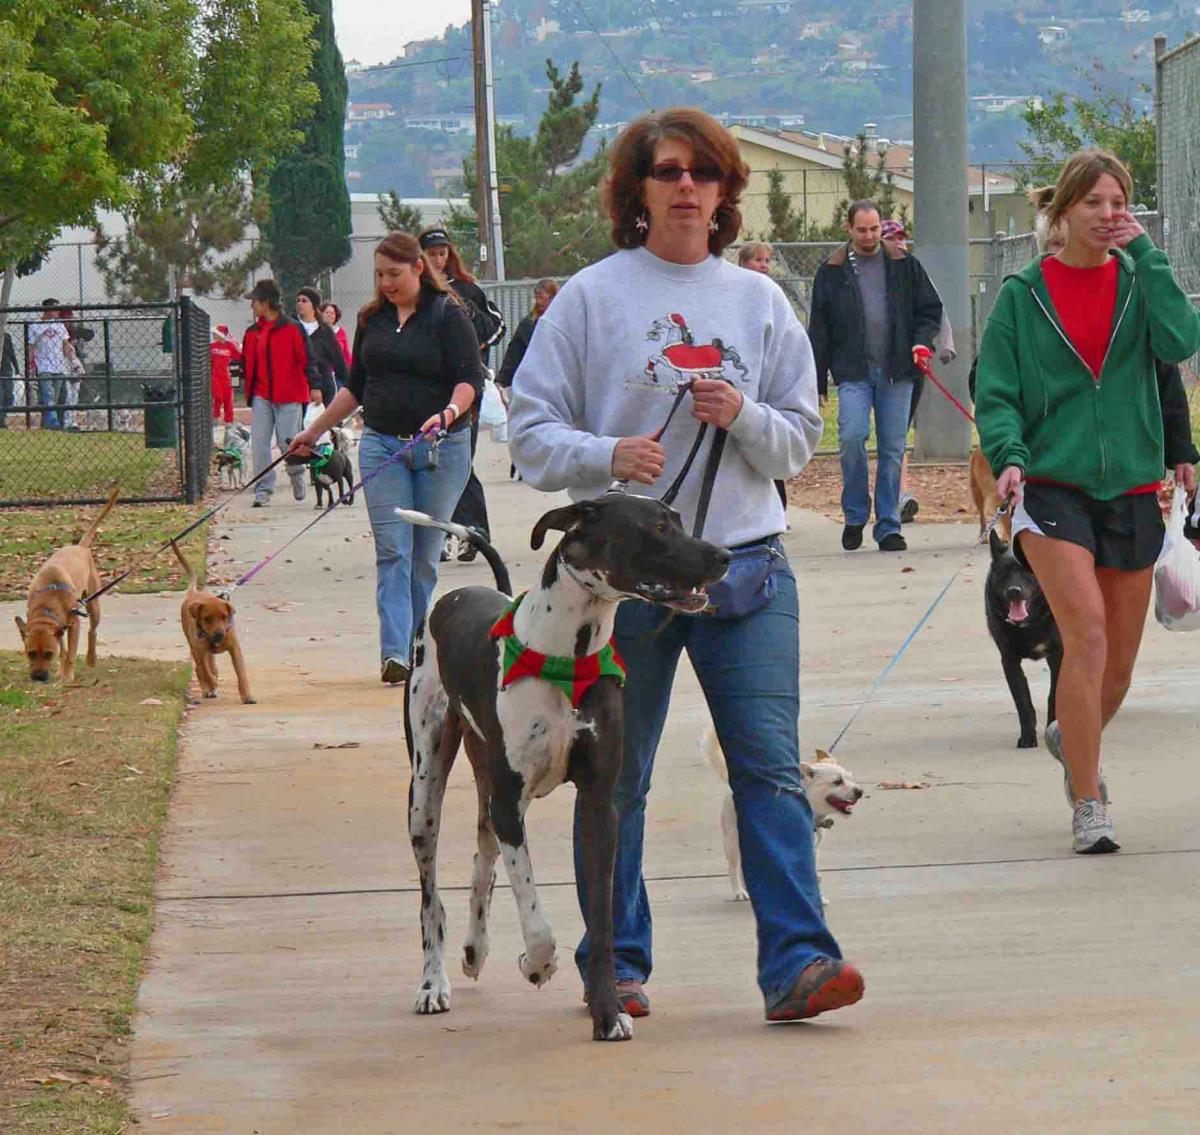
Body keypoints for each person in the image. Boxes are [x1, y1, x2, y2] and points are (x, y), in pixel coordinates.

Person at [509, 107, 863, 1024]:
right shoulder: (590, 298)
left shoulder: (760, 302)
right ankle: (616, 962)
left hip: (745, 569)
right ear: (637, 192)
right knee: (619, 779)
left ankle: (799, 964)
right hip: (626, 592)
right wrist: (608, 456)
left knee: (772, 772)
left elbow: (797, 443)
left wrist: (740, 413)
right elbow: (531, 433)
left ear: (725, 191)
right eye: (667, 172)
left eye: (704, 173)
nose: (686, 187)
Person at [976, 150, 1200, 854]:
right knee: (1088, 634)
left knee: (1119, 666)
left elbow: (1180, 342)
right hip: (1052, 486)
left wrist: (1153, 261)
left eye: (1120, 203)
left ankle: (1071, 736)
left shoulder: (1140, 280)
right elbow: (998, 393)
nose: (1110, 215)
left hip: (1131, 485)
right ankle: (1089, 796)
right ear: (1064, 211)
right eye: (1096, 203)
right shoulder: (1023, 295)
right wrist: (1011, 458)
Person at [288, 232, 482, 686]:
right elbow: (355, 387)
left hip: (441, 449)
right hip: (381, 445)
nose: (386, 283)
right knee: (393, 550)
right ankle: (395, 653)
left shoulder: (448, 316)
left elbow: (470, 379)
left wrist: (449, 412)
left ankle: (419, 642)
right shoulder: (371, 319)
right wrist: (313, 432)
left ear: (419, 268)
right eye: (379, 275)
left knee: (424, 558)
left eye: (394, 274)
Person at [808, 201, 943, 552]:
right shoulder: (832, 271)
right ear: (848, 228)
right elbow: (818, 328)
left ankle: (888, 525)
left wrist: (920, 343)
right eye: (862, 230)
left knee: (893, 449)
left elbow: (930, 310)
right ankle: (855, 514)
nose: (869, 236)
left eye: (875, 230)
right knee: (851, 438)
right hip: (853, 370)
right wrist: (817, 378)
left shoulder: (904, 265)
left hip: (899, 371)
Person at [418, 227, 505, 562]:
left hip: (465, 390)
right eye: (432, 253)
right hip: (426, 391)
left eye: (443, 252)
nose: (439, 259)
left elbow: (496, 326)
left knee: (459, 461)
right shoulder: (417, 293)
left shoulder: (466, 290)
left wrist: (471, 340)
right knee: (428, 463)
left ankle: (473, 533)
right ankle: (437, 535)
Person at [878, 218, 957, 524]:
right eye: (893, 238)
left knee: (896, 435)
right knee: (869, 437)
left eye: (902, 238)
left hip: (908, 365)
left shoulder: (912, 269)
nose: (900, 243)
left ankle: (899, 497)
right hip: (870, 370)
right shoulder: (864, 274)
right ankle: (887, 498)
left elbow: (933, 308)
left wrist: (935, 345)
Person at [242, 278, 318, 507]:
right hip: (261, 396)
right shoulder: (252, 332)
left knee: (288, 443)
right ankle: (263, 489)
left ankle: (297, 475)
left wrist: (315, 385)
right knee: (260, 443)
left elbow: (307, 359)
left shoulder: (292, 328)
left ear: (266, 302)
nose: (251, 306)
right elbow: (245, 361)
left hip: (289, 394)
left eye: (254, 301)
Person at [495, 279, 559, 390]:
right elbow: (513, 354)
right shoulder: (528, 324)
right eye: (536, 298)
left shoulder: (563, 324)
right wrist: (501, 381)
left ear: (554, 299)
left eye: (542, 299)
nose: (538, 302)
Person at [26, 299, 76, 431]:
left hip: (58, 366)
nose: (57, 312)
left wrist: (72, 360)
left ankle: (48, 422)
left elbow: (65, 344)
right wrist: (29, 366)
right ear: (47, 310)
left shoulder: (59, 326)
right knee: (48, 394)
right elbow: (31, 347)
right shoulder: (35, 326)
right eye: (55, 309)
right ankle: (52, 423)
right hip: (43, 366)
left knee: (55, 395)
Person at [296, 286, 348, 410]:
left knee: (322, 426)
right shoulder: (292, 326)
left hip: (324, 385)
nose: (299, 304)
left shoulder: (325, 331)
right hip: (297, 386)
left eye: (304, 301)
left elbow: (338, 359)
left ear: (314, 305)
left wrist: (350, 386)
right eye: (298, 300)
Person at [210, 324, 241, 426]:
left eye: (215, 333)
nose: (213, 335)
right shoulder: (211, 346)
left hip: (226, 374)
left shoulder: (230, 345)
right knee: (218, 397)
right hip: (215, 374)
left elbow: (239, 356)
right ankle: (215, 416)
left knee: (228, 398)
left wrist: (237, 344)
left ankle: (229, 420)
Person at [320, 301, 352, 368]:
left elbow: (346, 353)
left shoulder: (340, 331)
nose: (330, 315)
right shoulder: (316, 331)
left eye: (332, 313)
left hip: (338, 372)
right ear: (321, 314)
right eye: (327, 312)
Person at [0, 328, 19, 428]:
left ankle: (3, 415)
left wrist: (17, 368)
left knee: (9, 396)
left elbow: (11, 352)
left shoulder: (6, 336)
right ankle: (1, 421)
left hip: (6, 368)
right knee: (1, 395)